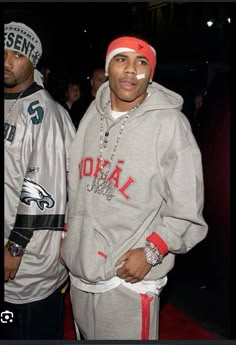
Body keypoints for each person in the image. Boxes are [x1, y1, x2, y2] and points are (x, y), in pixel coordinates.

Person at [61, 34, 208, 340]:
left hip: (126, 280)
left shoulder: (170, 125)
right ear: (107, 68)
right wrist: (70, 238)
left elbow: (187, 208)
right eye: (121, 60)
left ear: (150, 74)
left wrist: (153, 251)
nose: (131, 69)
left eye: (141, 62)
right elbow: (75, 186)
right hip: (80, 274)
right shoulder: (92, 115)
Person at [4, 21, 75, 340]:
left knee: (31, 330)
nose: (7, 61)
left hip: (29, 261)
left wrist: (15, 247)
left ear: (33, 62)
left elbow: (44, 189)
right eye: (3, 51)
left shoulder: (45, 113)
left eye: (17, 54)